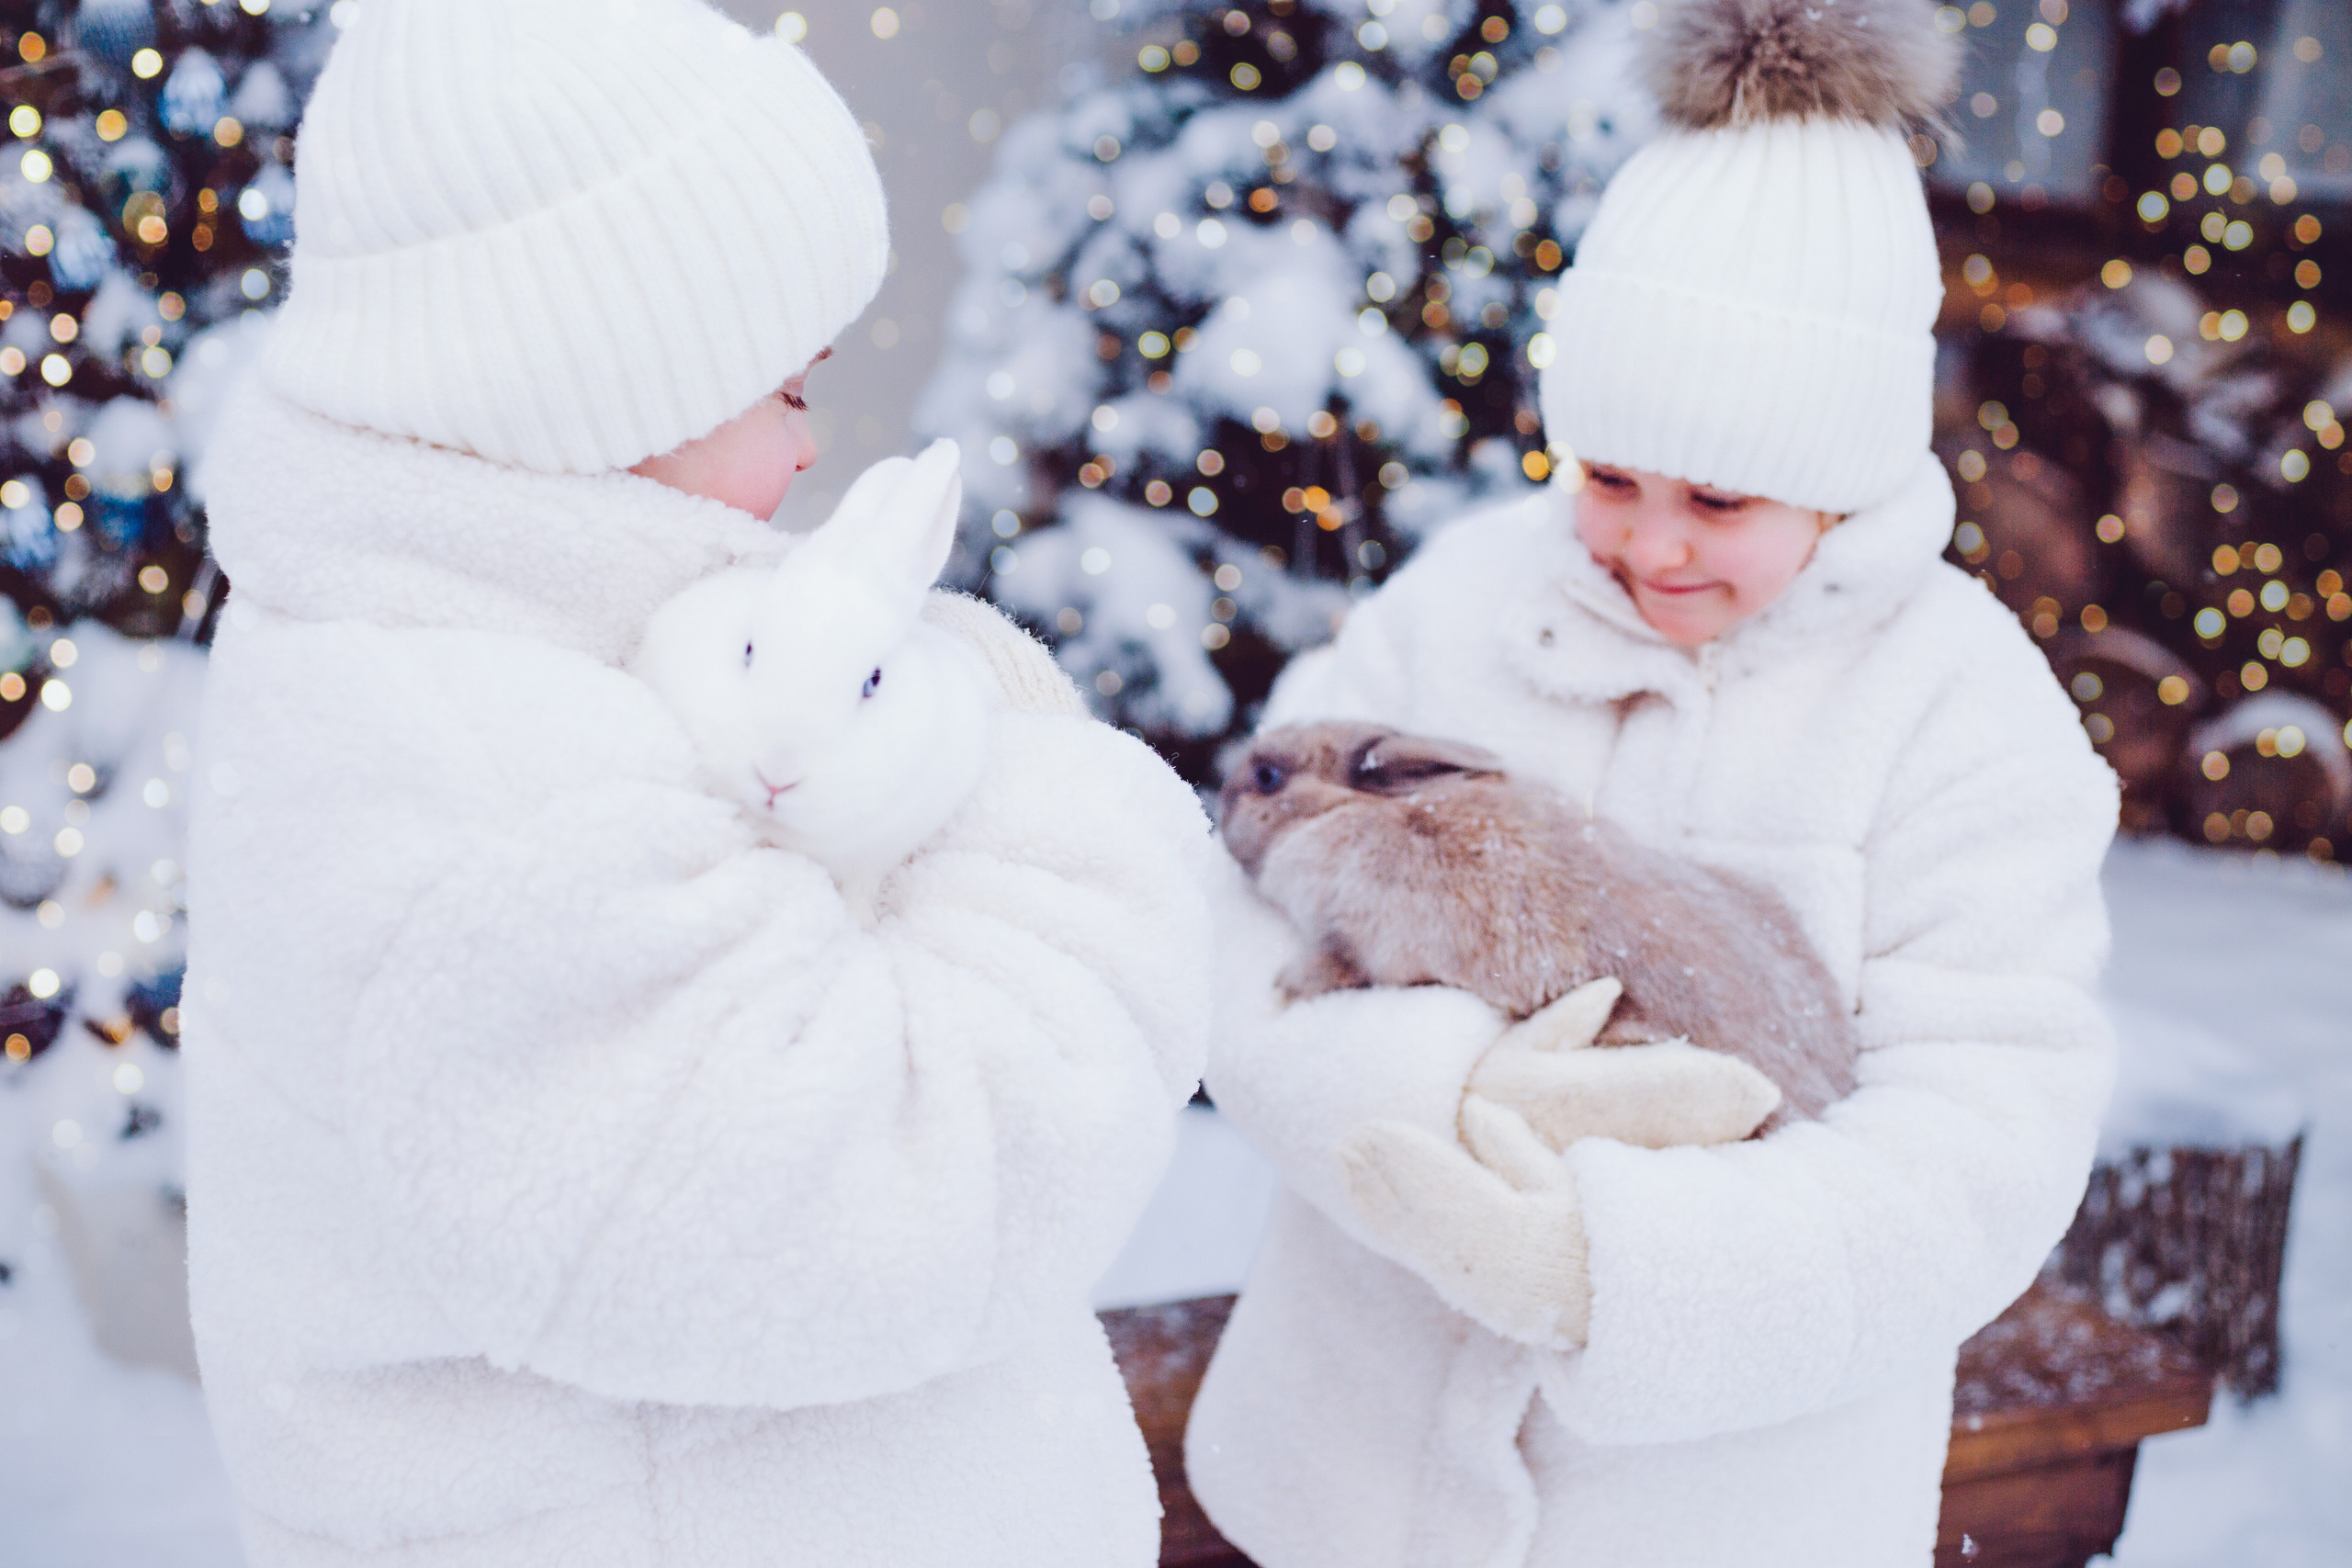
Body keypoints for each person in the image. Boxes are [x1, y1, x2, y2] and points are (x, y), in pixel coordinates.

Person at [181, 3, 1213, 1564]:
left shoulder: (518, 660)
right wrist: (1062, 815)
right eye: (786, 390)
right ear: (588, 394)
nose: (811, 453)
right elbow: (890, 1210)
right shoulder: (482, 784)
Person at [1183, 3, 2120, 1564]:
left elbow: (1982, 1141)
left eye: (1721, 499)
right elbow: (1236, 902)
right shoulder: (1466, 600)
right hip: (1345, 1481)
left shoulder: (1961, 716)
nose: (1650, 544)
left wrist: (1612, 1271)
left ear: (1847, 473)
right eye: (1609, 476)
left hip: (1715, 1516)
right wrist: (1439, 1113)